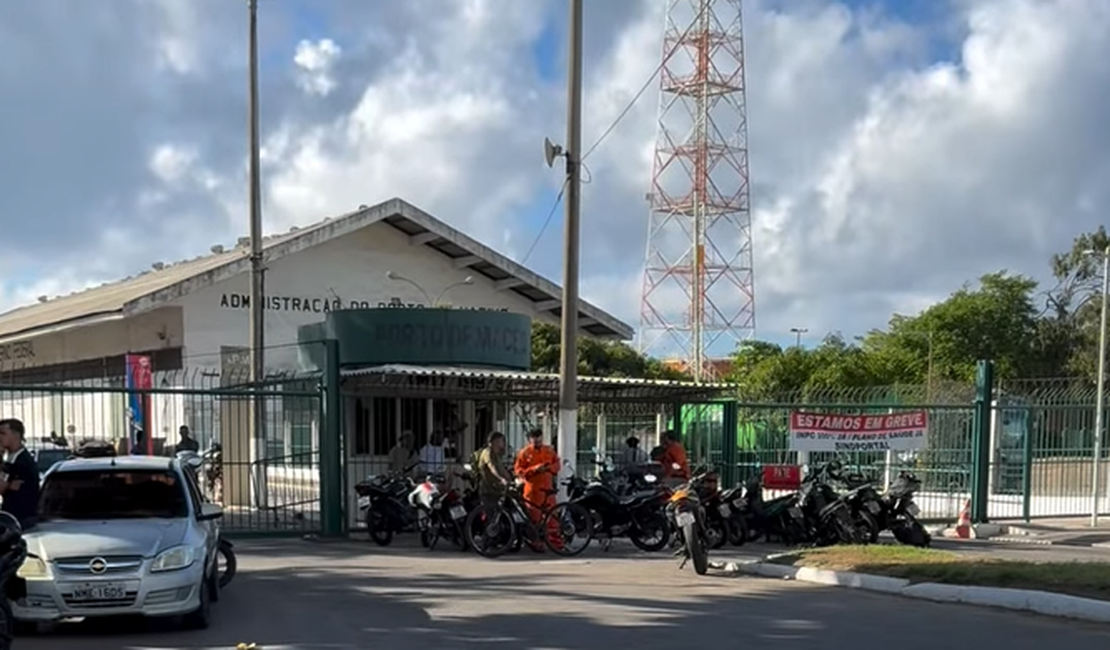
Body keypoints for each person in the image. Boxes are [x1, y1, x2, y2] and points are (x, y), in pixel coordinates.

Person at [513, 428, 562, 550]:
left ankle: (556, 543)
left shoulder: (549, 450)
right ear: (530, 439)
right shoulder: (524, 453)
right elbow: (518, 471)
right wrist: (534, 469)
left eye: (539, 437)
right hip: (533, 491)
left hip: (547, 490)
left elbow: (557, 465)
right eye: (534, 438)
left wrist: (548, 468)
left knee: (553, 518)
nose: (537, 440)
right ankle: (536, 543)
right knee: (534, 519)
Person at [0, 419, 40, 530]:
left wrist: (6, 486)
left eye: (3, 433)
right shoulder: (11, 458)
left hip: (22, 519)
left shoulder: (22, 461)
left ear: (16, 435)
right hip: (12, 517)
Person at [474, 432, 512, 506]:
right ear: (494, 442)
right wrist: (501, 479)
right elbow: (492, 467)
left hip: (498, 490)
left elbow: (503, 470)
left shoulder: (497, 455)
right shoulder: (487, 453)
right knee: (492, 514)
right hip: (488, 490)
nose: (503, 443)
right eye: (501, 441)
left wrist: (510, 480)